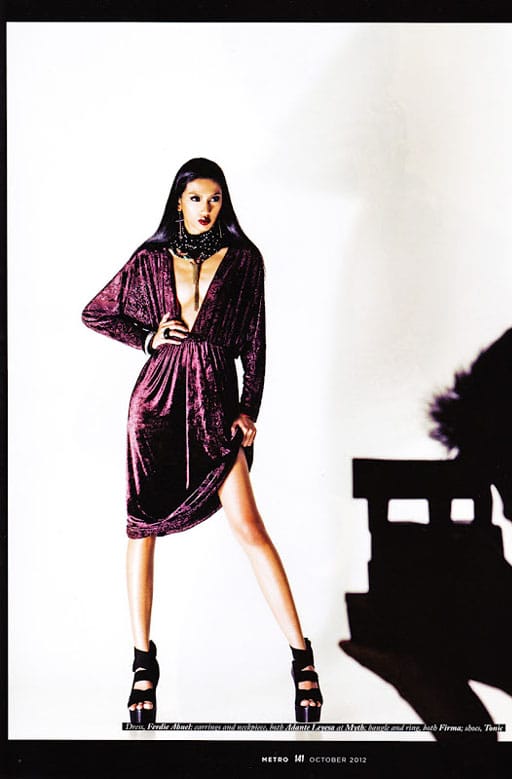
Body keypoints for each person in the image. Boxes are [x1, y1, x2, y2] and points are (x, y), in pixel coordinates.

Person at [82, 157, 323, 724]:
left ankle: (302, 658)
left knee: (249, 527)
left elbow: (256, 343)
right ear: (178, 202)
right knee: (142, 530)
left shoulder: (244, 260)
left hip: (214, 403)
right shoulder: (150, 260)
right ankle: (142, 663)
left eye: (214, 198)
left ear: (224, 202)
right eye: (195, 198)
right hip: (155, 404)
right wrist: (147, 338)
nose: (205, 208)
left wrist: (248, 409)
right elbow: (96, 313)